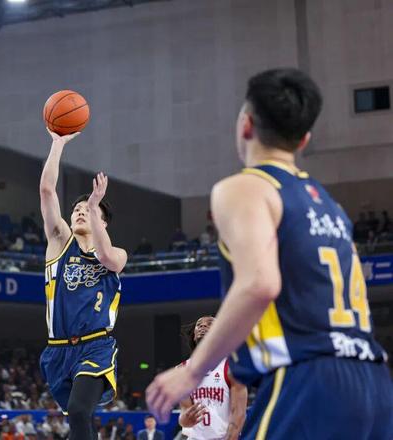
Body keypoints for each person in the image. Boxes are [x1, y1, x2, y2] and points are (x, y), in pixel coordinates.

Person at [146, 69, 391, 439]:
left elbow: (259, 284)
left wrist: (193, 371)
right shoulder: (331, 207)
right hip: (372, 378)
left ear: (246, 124)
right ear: (304, 139)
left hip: (311, 375)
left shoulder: (246, 188)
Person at [38, 129, 128, 440]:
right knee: (80, 420)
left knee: (78, 411)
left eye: (87, 211)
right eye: (76, 209)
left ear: (102, 222)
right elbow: (47, 191)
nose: (79, 211)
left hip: (96, 345)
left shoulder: (117, 254)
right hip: (58, 349)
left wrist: (94, 202)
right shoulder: (60, 243)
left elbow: (106, 257)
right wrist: (57, 143)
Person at [177, 316, 246, 440]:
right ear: (194, 336)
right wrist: (185, 420)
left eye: (210, 324)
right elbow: (184, 413)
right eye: (199, 324)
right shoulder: (182, 370)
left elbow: (239, 413)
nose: (203, 326)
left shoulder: (232, 368)